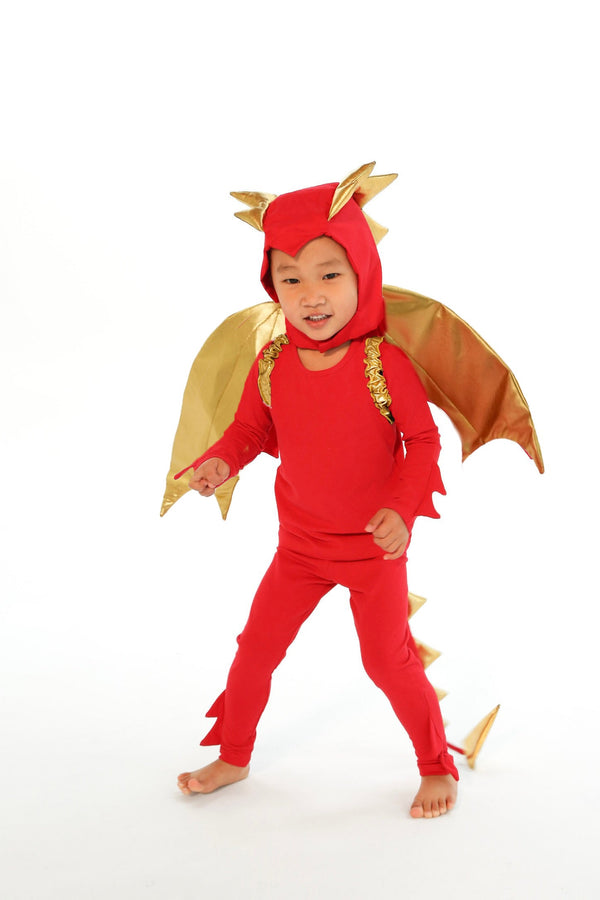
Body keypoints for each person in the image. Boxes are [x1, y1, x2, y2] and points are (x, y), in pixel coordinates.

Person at [176, 165, 458, 818]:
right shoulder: (272, 361)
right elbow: (249, 429)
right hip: (300, 548)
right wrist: (221, 460)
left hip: (373, 553)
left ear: (363, 272)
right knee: (255, 652)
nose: (310, 294)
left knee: (387, 664)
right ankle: (234, 756)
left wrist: (398, 507)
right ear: (271, 284)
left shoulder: (382, 363)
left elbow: (424, 442)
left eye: (329, 273)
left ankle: (436, 764)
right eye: (290, 277)